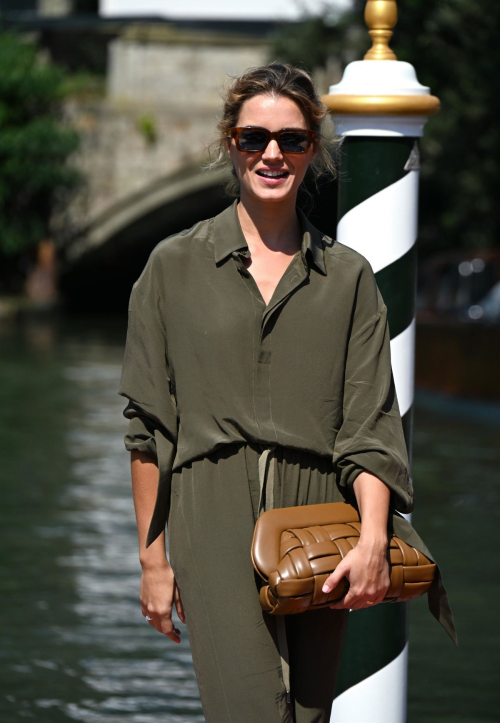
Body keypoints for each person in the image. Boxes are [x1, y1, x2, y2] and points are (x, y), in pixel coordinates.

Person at [118, 62, 456, 723]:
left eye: (292, 140)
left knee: (306, 718)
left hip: (323, 518)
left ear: (314, 151)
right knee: (250, 709)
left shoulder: (349, 278)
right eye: (254, 138)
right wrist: (153, 563)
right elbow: (147, 429)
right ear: (231, 143)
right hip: (211, 512)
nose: (272, 154)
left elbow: (369, 424)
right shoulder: (172, 266)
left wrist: (372, 541)